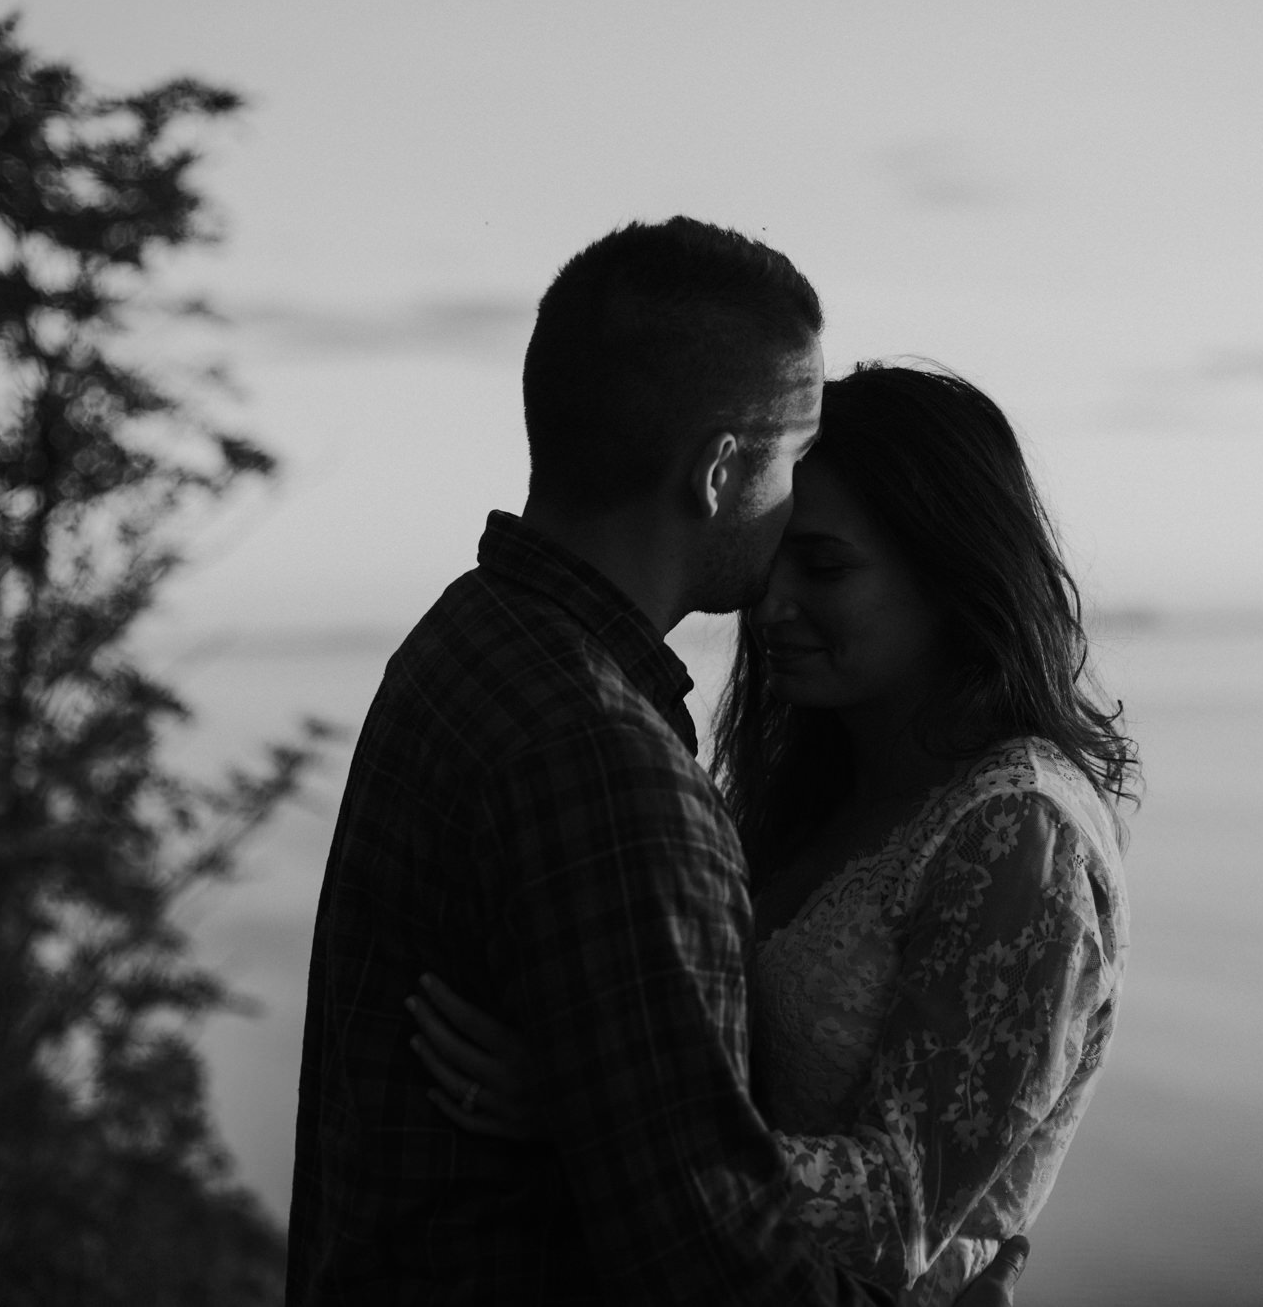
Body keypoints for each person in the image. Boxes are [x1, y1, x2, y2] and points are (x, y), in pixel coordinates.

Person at [285, 217, 1027, 1306]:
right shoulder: (607, 762)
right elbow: (716, 1274)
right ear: (723, 470)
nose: (797, 504)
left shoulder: (466, 637)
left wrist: (596, 1099)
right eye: (794, 457)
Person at [412, 363, 1136, 1305]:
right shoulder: (834, 780)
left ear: (956, 572)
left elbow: (900, 1214)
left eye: (826, 567)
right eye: (775, 556)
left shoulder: (1019, 832)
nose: (771, 604)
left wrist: (592, 1107)